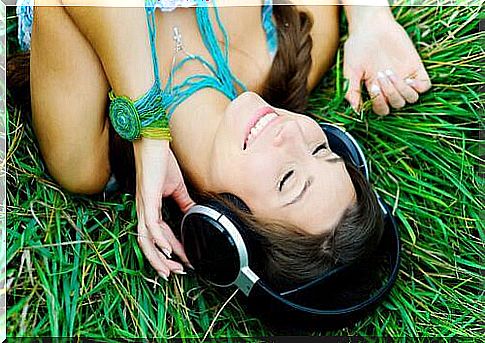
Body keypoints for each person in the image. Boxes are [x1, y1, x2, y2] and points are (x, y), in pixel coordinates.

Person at [9, 0, 430, 288]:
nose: (294, 136)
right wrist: (370, 17)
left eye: (287, 179)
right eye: (323, 151)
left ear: (230, 229)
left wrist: (148, 127)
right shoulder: (291, 50)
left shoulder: (86, 155)